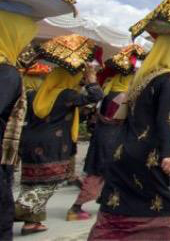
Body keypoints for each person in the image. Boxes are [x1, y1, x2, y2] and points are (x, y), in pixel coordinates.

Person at [90, 0, 170, 240]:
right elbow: (165, 119)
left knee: (120, 205)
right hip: (151, 154)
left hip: (125, 151)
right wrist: (169, 153)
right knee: (160, 209)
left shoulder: (144, 77)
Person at [0, 0, 77, 239]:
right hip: (50, 145)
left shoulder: (40, 88)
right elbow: (89, 96)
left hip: (31, 143)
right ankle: (29, 217)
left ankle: (25, 212)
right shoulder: (7, 74)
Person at [14, 35, 102, 235]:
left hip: (29, 142)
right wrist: (91, 80)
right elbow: (96, 96)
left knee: (31, 183)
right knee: (48, 184)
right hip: (52, 144)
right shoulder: (66, 95)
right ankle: (15, 210)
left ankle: (31, 223)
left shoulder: (36, 94)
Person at [68, 44, 146, 221]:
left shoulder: (110, 91)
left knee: (105, 173)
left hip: (103, 136)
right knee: (100, 173)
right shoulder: (122, 96)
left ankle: (106, 201)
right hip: (111, 138)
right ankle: (76, 207)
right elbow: (120, 118)